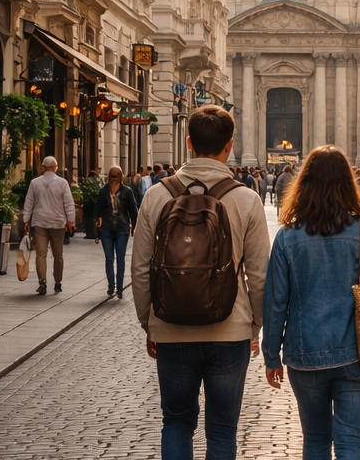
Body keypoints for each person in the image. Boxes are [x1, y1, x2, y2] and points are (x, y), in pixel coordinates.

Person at [132, 105, 270, 460]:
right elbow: (259, 273)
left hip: (171, 328)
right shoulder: (246, 198)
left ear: (189, 143)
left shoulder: (156, 195)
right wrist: (255, 324)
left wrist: (149, 322)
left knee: (176, 422)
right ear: (230, 145)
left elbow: (140, 268)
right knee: (222, 430)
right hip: (230, 329)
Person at [263, 145, 360, 460]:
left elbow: (275, 303)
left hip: (304, 354)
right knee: (351, 444)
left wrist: (271, 356)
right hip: (358, 353)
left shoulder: (287, 236)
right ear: (348, 183)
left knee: (316, 442)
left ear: (304, 183)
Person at [22, 156, 76, 296]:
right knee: (58, 254)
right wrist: (71, 221)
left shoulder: (35, 183)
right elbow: (69, 204)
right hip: (57, 223)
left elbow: (29, 202)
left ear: (42, 167)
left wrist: (26, 219)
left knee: (41, 253)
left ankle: (42, 282)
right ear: (56, 167)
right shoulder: (62, 183)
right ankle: (58, 283)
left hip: (39, 222)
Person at [94, 165, 139, 299]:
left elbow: (133, 211)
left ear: (120, 177)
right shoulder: (104, 191)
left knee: (120, 259)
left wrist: (135, 228)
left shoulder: (127, 191)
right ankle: (111, 286)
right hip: (107, 229)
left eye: (116, 177)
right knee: (109, 258)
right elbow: (98, 209)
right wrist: (96, 223)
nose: (114, 180)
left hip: (122, 229)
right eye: (112, 177)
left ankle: (119, 288)